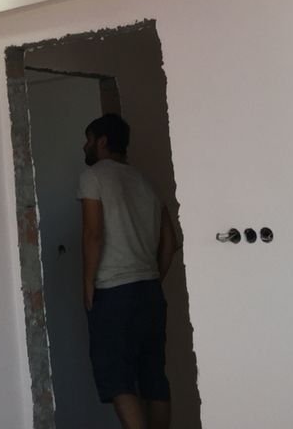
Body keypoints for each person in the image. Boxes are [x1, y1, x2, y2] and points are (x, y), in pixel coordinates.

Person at [77, 113, 179, 429]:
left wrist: (88, 284)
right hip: (149, 292)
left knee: (117, 379)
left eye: (88, 139)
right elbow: (171, 242)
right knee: (153, 378)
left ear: (102, 141)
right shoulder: (145, 181)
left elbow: (93, 234)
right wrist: (154, 277)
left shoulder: (93, 176)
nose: (85, 146)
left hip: (114, 293)